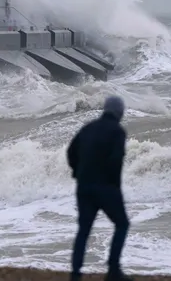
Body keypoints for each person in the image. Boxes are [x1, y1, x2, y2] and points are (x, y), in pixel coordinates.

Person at [67, 96, 132, 281]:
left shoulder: (88, 128)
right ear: (119, 112)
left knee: (84, 229)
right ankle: (113, 270)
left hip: (84, 186)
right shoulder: (117, 131)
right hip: (105, 187)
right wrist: (115, 186)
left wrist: (77, 172)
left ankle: (75, 273)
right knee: (122, 224)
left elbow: (71, 152)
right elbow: (116, 159)